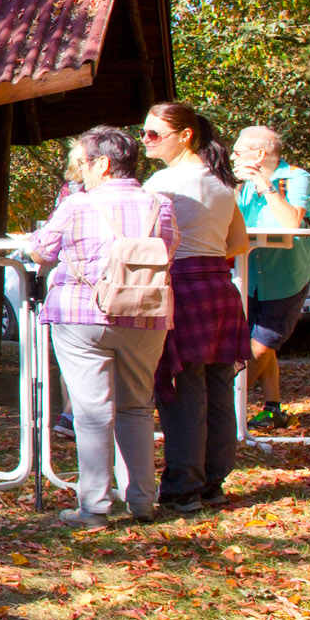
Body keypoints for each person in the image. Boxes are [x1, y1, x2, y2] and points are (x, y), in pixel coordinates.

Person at [32, 126, 178, 530]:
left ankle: (94, 507)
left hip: (83, 313)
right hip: (146, 314)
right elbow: (171, 250)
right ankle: (142, 501)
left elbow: (42, 251)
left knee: (92, 412)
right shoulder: (159, 204)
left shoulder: (78, 205)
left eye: (83, 162)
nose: (80, 170)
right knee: (136, 407)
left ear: (103, 164)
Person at [142, 104, 250, 515]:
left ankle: (183, 487)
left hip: (182, 285)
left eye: (154, 134)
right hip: (219, 288)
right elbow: (238, 243)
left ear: (185, 135)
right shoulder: (222, 182)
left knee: (183, 389)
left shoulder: (163, 182)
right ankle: (213, 482)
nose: (146, 141)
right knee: (219, 390)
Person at [233, 125, 310, 429]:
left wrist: (262, 182)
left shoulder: (296, 177)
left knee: (261, 345)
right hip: (250, 273)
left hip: (286, 276)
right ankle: (273, 407)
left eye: (238, 152)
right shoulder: (240, 184)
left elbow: (292, 222)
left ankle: (230, 410)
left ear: (259, 154)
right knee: (256, 340)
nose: (233, 156)